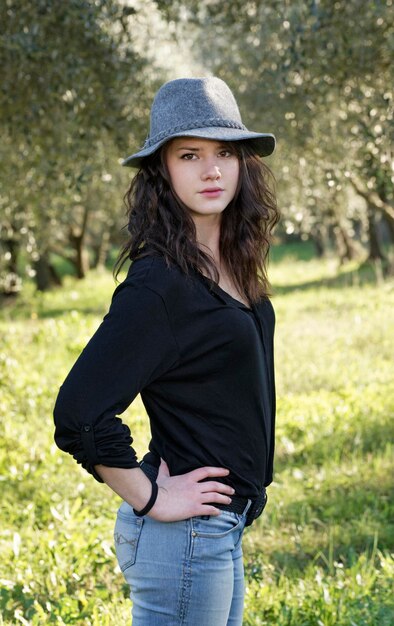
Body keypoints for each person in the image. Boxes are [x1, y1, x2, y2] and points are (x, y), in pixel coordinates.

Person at [54, 76, 279, 626]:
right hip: (185, 539)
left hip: (219, 529)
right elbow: (79, 413)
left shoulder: (232, 267)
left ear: (243, 163)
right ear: (163, 170)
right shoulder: (161, 284)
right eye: (189, 155)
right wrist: (152, 498)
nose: (211, 170)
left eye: (225, 152)